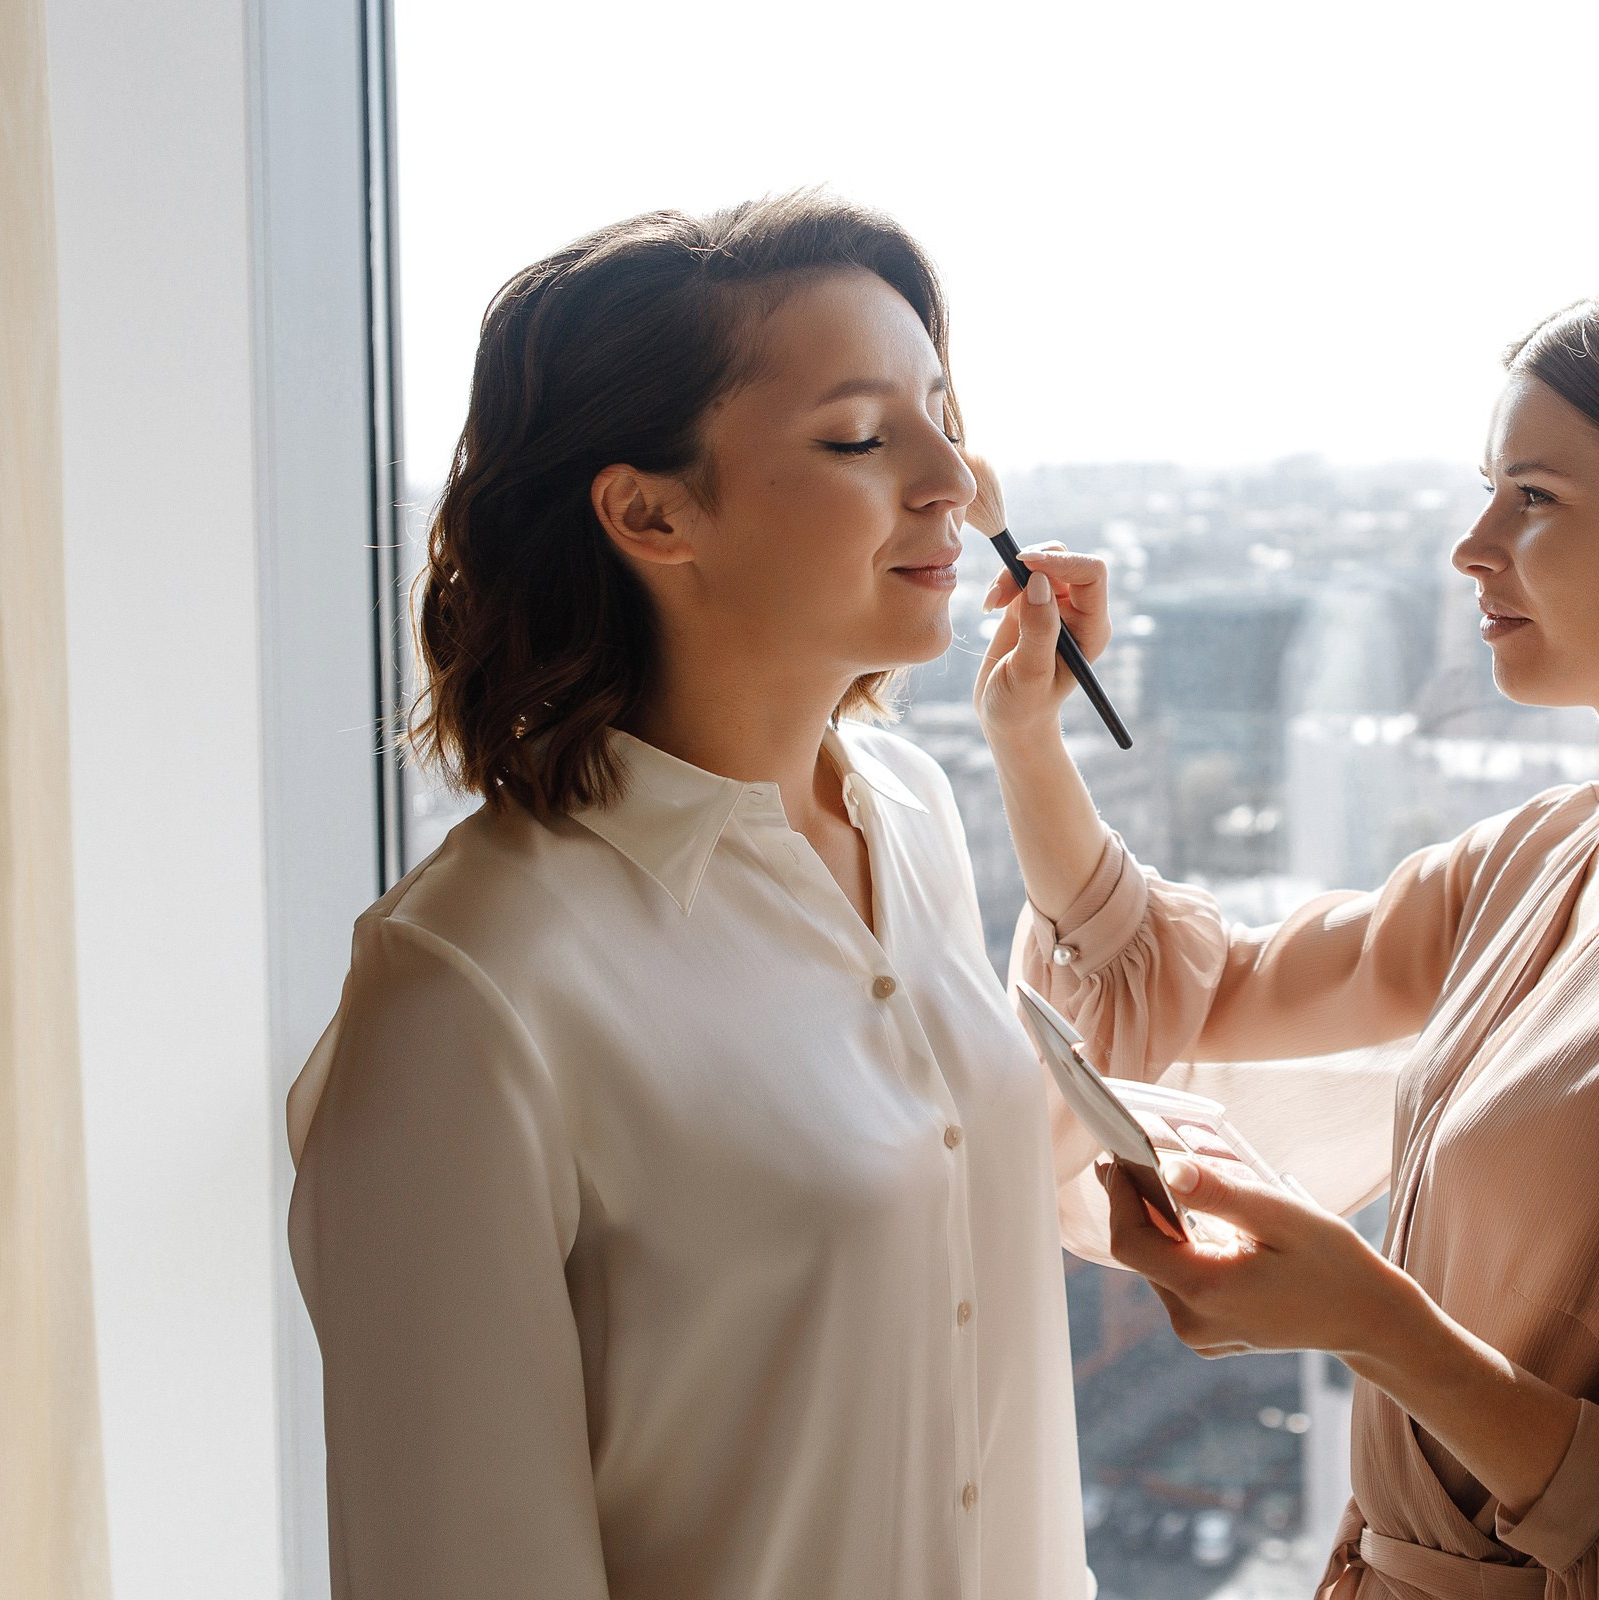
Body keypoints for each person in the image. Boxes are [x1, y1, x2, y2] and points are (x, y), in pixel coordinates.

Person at [974, 285, 1599, 1598]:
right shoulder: (1558, 853)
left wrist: (1362, 1318)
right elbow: (1214, 987)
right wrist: (1028, 740)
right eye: (1488, 491)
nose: (1469, 547)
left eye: (1535, 500)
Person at [285, 192, 1086, 1600]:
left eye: (942, 414)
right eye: (859, 437)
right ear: (649, 512)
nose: (955, 479)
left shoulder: (913, 818)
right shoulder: (475, 986)